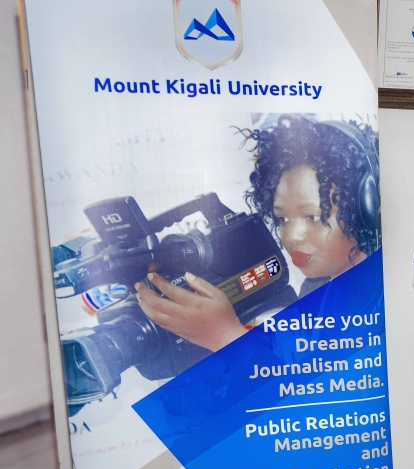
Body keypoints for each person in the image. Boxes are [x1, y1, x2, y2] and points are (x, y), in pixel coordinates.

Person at [135, 115, 380, 352]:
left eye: (312, 217)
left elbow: (328, 384)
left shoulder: (381, 299)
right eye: (282, 219)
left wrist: (227, 337)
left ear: (364, 207)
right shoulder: (315, 287)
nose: (292, 236)